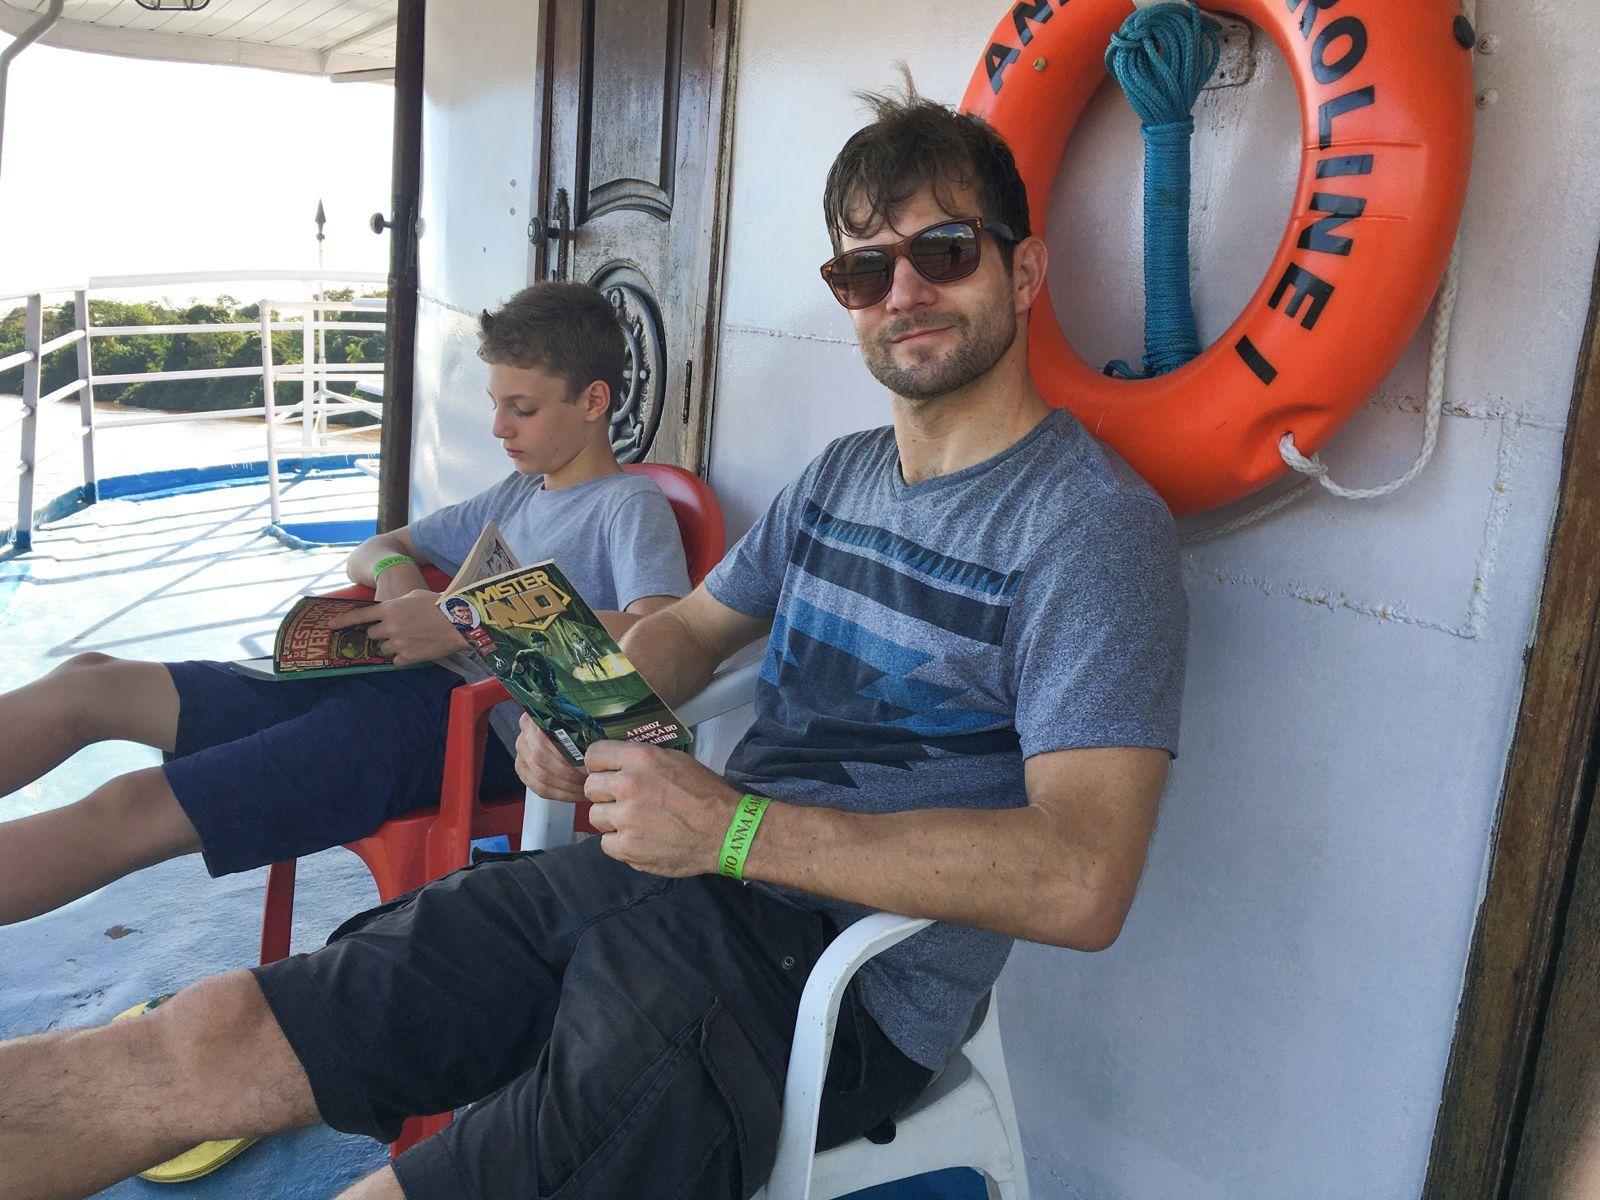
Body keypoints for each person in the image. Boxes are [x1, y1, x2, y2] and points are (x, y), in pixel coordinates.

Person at [0, 82, 1186, 1200]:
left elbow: (1081, 878)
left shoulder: (1090, 530)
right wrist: (577, 712)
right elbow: (690, 631)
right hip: (671, 875)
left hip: (829, 986)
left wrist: (735, 826)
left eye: (944, 252)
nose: (903, 293)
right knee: (218, 1029)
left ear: (1023, 271)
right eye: (864, 268)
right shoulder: (840, 478)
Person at [0, 280, 690, 925]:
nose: (498, 428)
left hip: (450, 732)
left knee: (135, 804)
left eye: (524, 409)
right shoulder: (519, 491)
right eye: (496, 404)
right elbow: (383, 543)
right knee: (89, 680)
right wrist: (402, 584)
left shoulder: (629, 506)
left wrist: (463, 622)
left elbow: (660, 636)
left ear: (594, 402)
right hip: (380, 682)